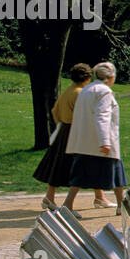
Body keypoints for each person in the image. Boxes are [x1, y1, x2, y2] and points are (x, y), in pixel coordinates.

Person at [64, 61, 127, 213]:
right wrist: (105, 142)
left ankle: (68, 205)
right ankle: (122, 206)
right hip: (100, 141)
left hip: (85, 142)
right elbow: (103, 116)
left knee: (79, 176)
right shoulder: (104, 92)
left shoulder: (87, 90)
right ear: (111, 77)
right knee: (117, 174)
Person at [33, 62, 93, 208]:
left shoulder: (69, 90)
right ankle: (67, 203)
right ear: (87, 77)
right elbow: (84, 115)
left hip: (64, 129)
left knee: (57, 164)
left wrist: (61, 124)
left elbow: (55, 111)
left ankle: (50, 196)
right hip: (74, 131)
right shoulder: (80, 93)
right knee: (78, 165)